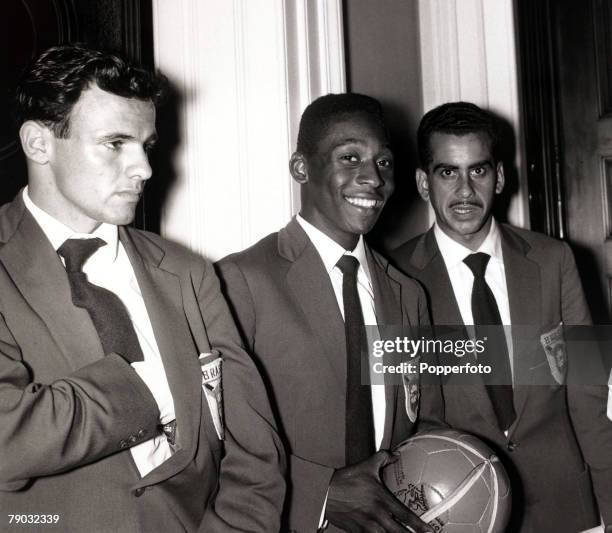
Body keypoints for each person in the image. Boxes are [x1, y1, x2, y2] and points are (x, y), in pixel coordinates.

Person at [0, 43, 285, 532]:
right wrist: (156, 387)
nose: (144, 169)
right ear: (39, 143)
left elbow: (255, 453)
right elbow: (8, 437)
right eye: (115, 143)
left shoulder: (188, 272)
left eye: (146, 146)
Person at [390, 101, 612, 533]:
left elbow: (592, 395)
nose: (465, 190)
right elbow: (401, 421)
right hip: (459, 514)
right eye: (447, 172)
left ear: (500, 177)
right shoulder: (393, 278)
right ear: (422, 182)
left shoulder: (557, 260)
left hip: (568, 509)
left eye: (479, 170)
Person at [216, 93, 432, 533]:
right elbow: (217, 436)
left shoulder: (408, 294)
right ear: (301, 168)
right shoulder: (240, 280)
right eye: (350, 157)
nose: (372, 178)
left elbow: (426, 418)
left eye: (384, 163)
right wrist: (322, 492)